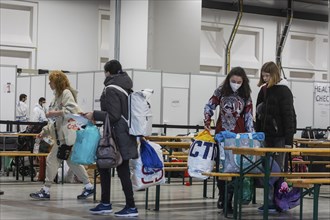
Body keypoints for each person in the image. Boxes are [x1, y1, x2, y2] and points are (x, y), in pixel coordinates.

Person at [84, 60, 139, 217]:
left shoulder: (111, 89)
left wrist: (94, 114)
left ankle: (130, 206)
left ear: (107, 72)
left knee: (119, 169)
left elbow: (113, 115)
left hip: (116, 136)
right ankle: (106, 203)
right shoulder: (126, 86)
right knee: (105, 166)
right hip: (125, 134)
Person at [30, 70, 94, 200]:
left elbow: (71, 110)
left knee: (51, 160)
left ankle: (46, 190)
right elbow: (54, 122)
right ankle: (88, 186)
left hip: (66, 137)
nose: (49, 84)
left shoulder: (66, 93)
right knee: (73, 162)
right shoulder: (56, 97)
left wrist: (53, 113)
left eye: (51, 81)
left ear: (57, 82)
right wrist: (44, 132)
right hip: (61, 137)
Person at [203, 66, 254, 214]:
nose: (236, 83)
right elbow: (209, 106)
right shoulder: (220, 91)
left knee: (236, 168)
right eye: (233, 81)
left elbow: (249, 116)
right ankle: (223, 196)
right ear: (228, 80)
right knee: (222, 167)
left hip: (239, 137)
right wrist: (207, 122)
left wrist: (250, 135)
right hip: (222, 135)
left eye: (239, 81)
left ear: (243, 82)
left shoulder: (246, 95)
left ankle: (229, 199)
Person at [255, 61, 296, 212]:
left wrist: (288, 141)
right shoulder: (263, 90)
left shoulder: (284, 91)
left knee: (277, 171)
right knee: (266, 170)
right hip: (265, 136)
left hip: (280, 137)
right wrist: (258, 134)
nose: (265, 78)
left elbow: (288, 116)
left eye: (267, 75)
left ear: (274, 74)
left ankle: (277, 201)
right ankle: (268, 200)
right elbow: (257, 116)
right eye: (263, 75)